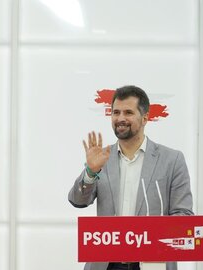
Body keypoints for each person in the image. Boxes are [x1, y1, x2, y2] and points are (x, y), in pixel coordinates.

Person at [68, 85, 193, 270]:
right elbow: (77, 200)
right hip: (106, 264)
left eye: (128, 112)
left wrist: (150, 234)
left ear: (145, 118)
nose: (120, 118)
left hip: (152, 263)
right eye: (115, 112)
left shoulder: (172, 160)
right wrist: (90, 172)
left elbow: (183, 217)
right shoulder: (101, 158)